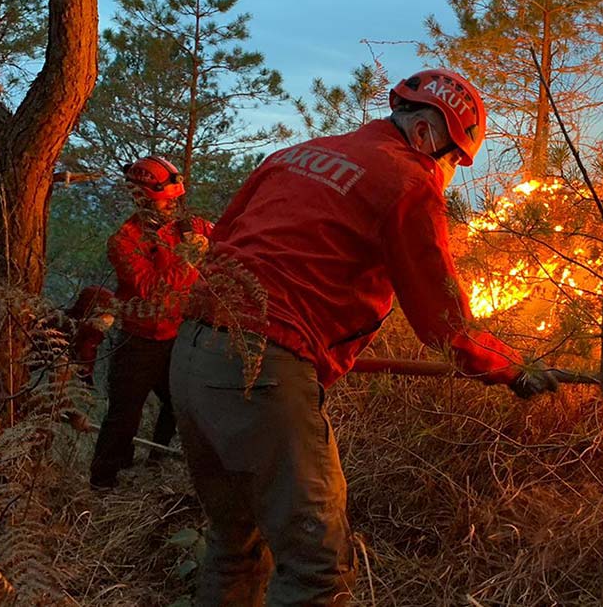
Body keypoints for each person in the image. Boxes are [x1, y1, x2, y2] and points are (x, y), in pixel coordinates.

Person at [170, 68, 558, 606]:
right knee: (316, 570)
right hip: (262, 373)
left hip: (190, 356)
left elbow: (224, 247)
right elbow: (445, 327)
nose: (446, 175)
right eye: (452, 161)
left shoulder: (294, 155)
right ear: (426, 135)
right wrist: (513, 368)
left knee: (234, 544)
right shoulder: (408, 181)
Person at [90, 155, 213, 489]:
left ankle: (156, 464)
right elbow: (150, 291)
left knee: (180, 404)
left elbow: (228, 241)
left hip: (177, 336)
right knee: (123, 417)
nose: (173, 207)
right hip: (139, 340)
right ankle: (102, 485)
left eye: (176, 200)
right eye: (166, 201)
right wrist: (187, 261)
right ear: (142, 197)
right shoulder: (124, 241)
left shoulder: (189, 227)